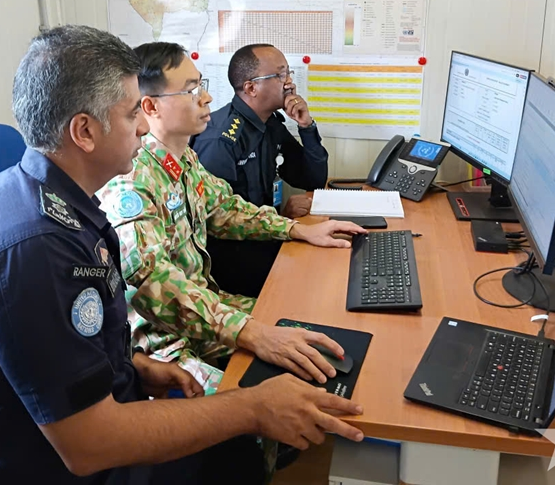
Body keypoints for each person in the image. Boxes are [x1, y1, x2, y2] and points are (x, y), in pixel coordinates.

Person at [0, 26, 364, 483]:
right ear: (84, 131)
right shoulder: (36, 248)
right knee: (240, 446)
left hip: (79, 420)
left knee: (258, 411)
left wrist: (128, 367)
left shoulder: (54, 199)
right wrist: (251, 409)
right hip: (43, 467)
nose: (143, 126)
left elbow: (56, 347)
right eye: (133, 111)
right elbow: (90, 446)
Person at [97, 42, 364, 394]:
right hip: (164, 343)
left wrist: (299, 230)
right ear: (150, 106)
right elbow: (153, 284)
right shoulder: (132, 185)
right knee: (263, 401)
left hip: (208, 307)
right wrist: (252, 333)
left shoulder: (183, 162)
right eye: (192, 90)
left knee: (309, 326)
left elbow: (226, 209)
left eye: (202, 85)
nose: (206, 98)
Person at [191, 43, 328, 296]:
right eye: (279, 75)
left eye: (288, 73)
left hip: (268, 239)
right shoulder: (221, 139)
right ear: (251, 87)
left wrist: (306, 126)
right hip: (235, 264)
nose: (289, 83)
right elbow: (215, 219)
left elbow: (314, 179)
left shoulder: (270, 124)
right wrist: (280, 219)